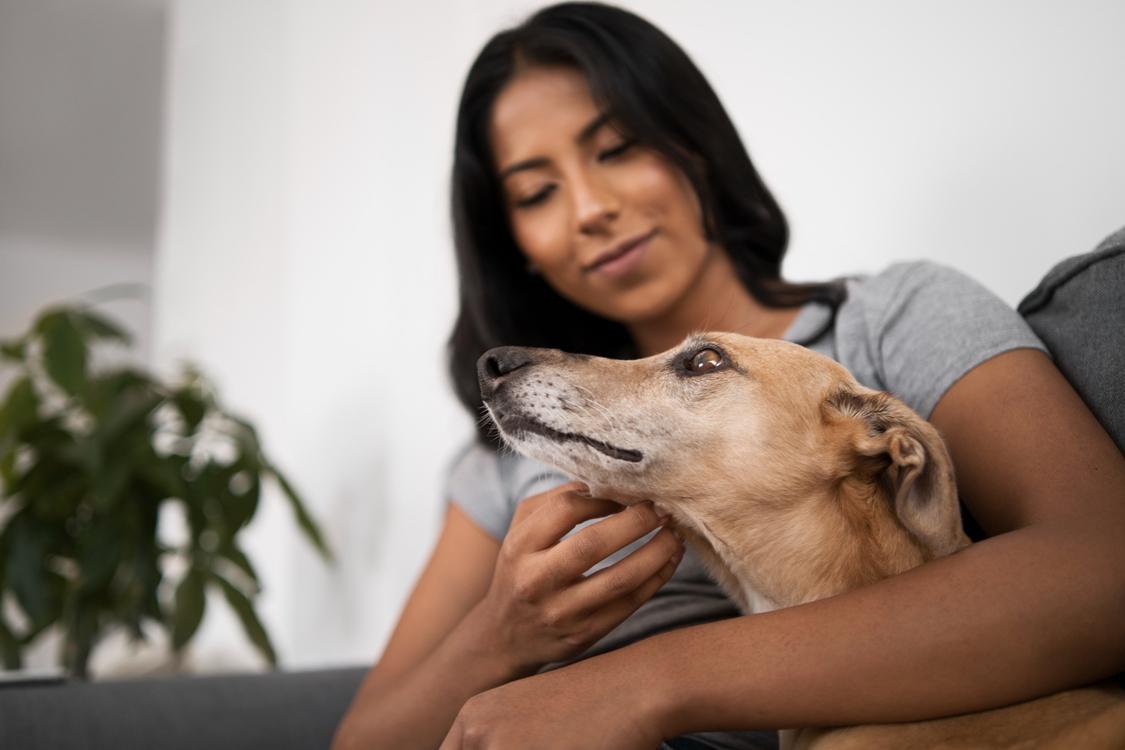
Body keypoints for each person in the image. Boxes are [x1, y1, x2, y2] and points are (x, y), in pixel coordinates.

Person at [333, 4, 1125, 749]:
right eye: (536, 193)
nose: (587, 209)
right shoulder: (501, 453)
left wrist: (645, 684)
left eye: (615, 149)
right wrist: (504, 636)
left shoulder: (886, 321)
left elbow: (1102, 564)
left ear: (695, 147)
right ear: (516, 243)